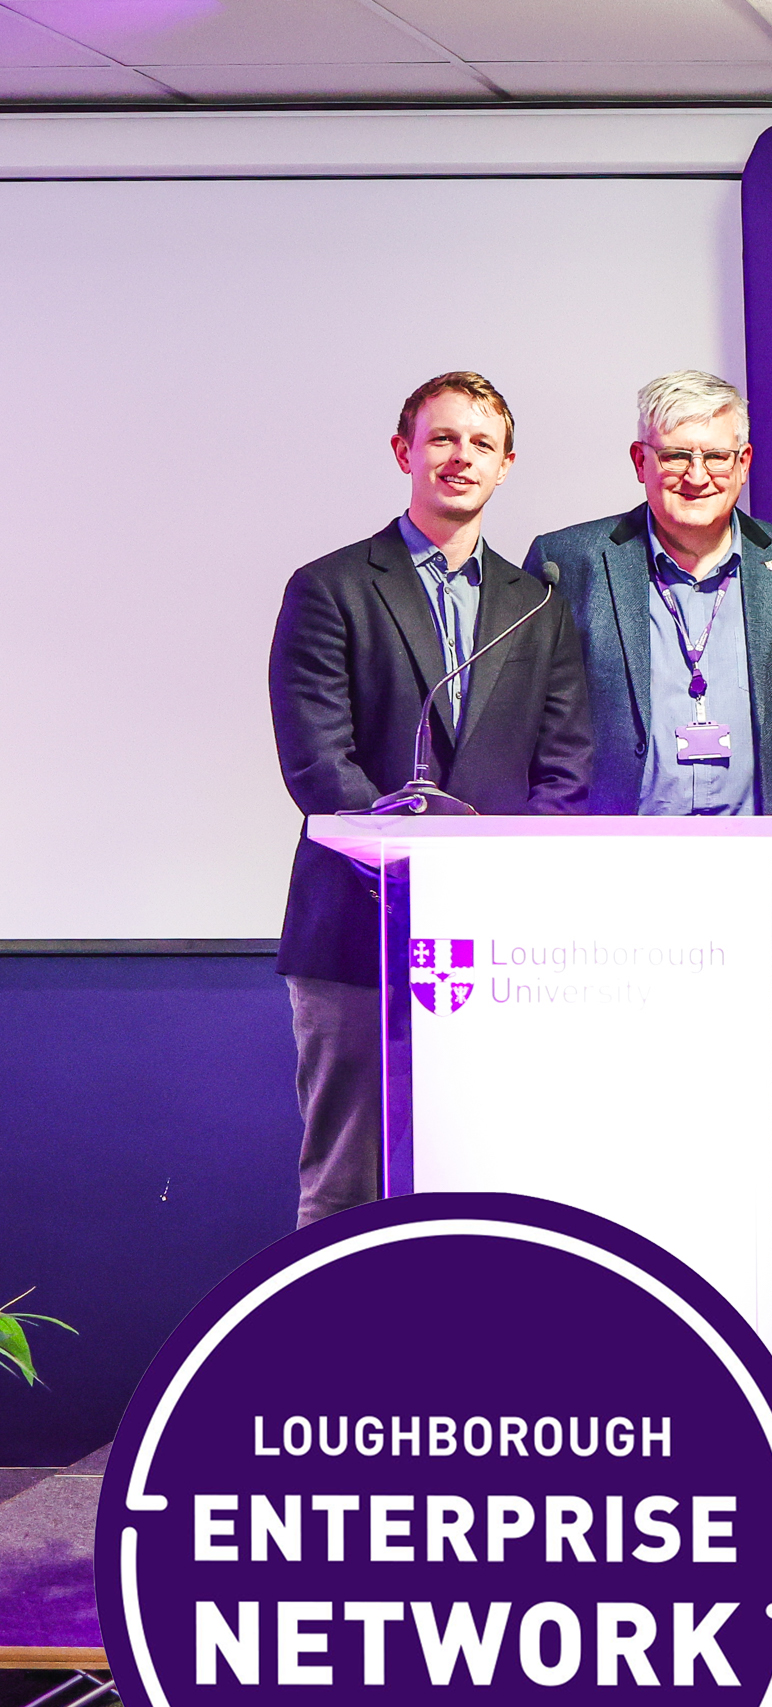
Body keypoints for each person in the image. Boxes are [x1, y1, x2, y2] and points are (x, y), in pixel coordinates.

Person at [268, 370, 592, 1225]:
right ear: (403, 451)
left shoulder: (538, 606)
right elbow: (317, 766)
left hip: (496, 942)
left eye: (481, 443)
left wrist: (483, 883)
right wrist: (412, 869)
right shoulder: (329, 587)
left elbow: (565, 773)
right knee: (346, 1181)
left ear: (507, 464)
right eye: (442, 438)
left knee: (481, 1176)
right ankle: (334, 1355)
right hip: (354, 931)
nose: (460, 457)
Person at [525, 369, 772, 817]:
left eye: (716, 456)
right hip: (615, 857)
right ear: (640, 461)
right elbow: (531, 727)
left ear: (744, 463)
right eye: (675, 456)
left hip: (759, 857)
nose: (697, 476)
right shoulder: (568, 562)